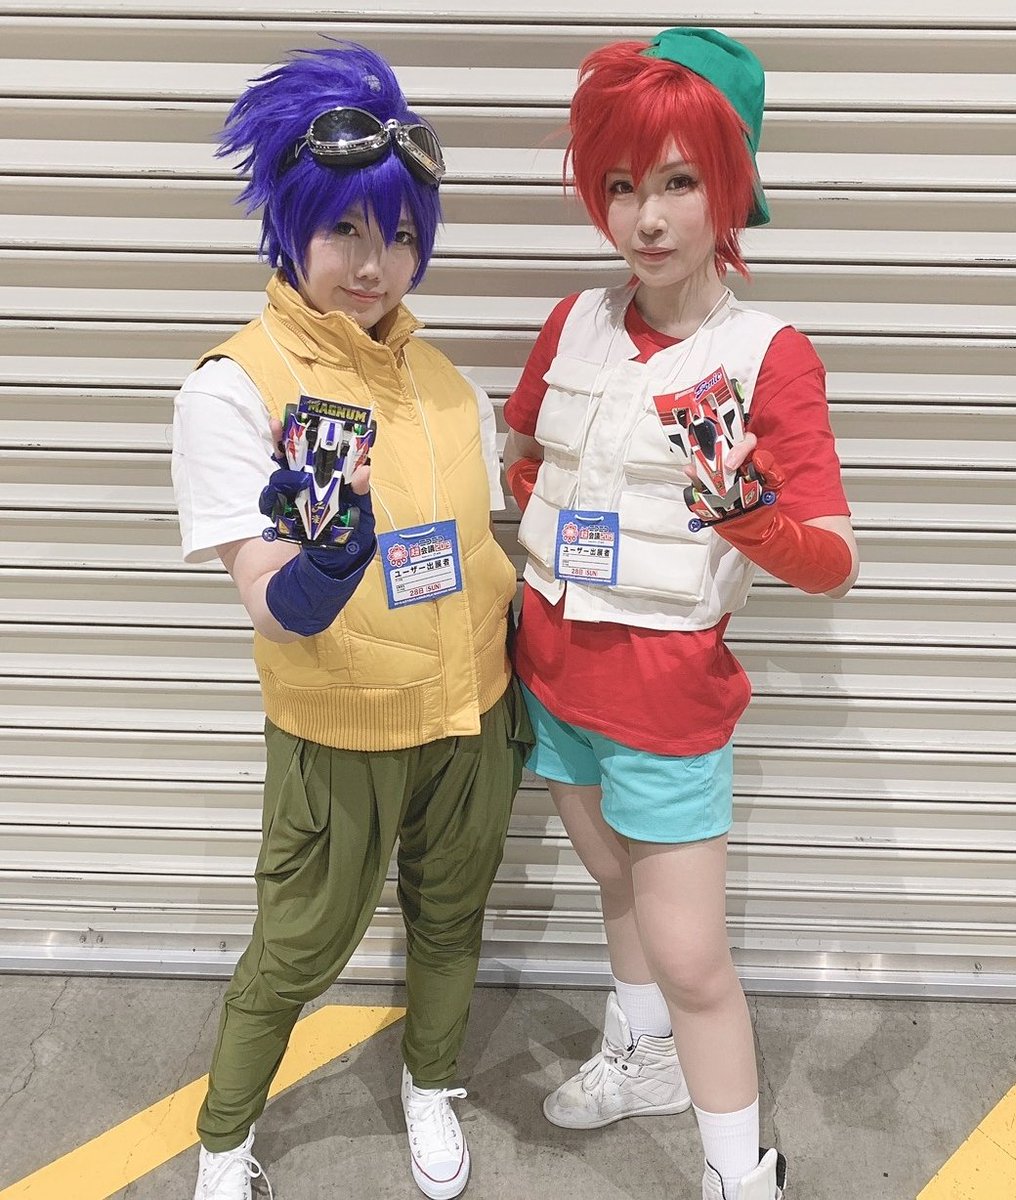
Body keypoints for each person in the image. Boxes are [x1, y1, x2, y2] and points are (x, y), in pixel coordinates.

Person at [502, 28, 858, 1200]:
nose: (644, 218)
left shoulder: (767, 356)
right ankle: (641, 1054)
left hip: (665, 705)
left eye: (677, 182)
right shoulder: (573, 319)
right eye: (620, 185)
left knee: (695, 962)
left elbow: (832, 562)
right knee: (614, 888)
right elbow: (524, 451)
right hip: (550, 675)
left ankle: (736, 1174)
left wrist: (748, 519)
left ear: (731, 186)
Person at [172, 43, 532, 1200]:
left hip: (473, 715)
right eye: (345, 231)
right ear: (289, 226)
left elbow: (481, 548)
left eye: (400, 234)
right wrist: (329, 563)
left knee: (451, 920)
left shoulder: (448, 385)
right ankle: (223, 1142)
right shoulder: (235, 387)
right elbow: (268, 601)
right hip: (338, 732)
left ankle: (431, 1083)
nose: (376, 264)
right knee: (292, 953)